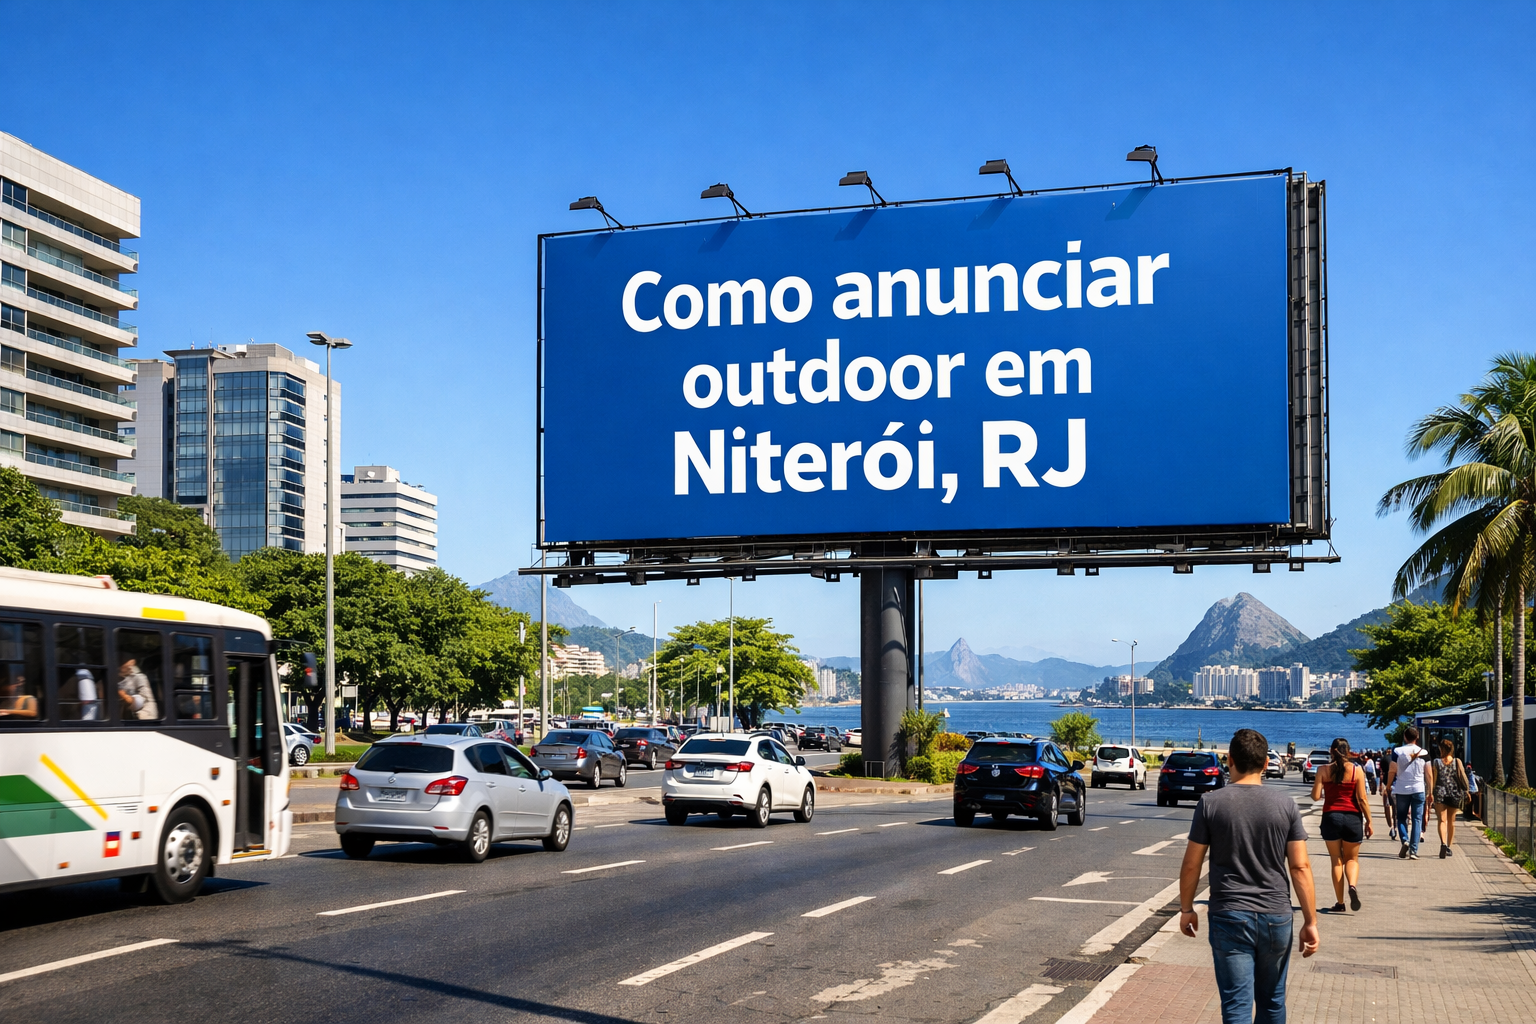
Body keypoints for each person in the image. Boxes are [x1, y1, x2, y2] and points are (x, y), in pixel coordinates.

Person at [1179, 728, 1319, 1024]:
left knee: (1236, 1006)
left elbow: (1192, 863)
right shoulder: (1286, 805)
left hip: (1229, 915)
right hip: (1276, 917)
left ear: (1228, 760)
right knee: (1272, 1002)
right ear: (1266, 764)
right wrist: (1310, 921)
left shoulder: (1210, 803)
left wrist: (1187, 908)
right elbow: (1300, 868)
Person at [1311, 737, 1373, 912]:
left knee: (1336, 860)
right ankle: (1352, 886)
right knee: (1352, 859)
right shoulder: (1356, 770)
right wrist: (1369, 821)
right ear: (1348, 752)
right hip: (1353, 818)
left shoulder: (1323, 770)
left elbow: (1315, 797)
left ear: (1331, 751)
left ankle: (1340, 903)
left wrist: (1321, 785)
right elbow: (1362, 798)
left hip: (1331, 817)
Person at [1387, 726, 1430, 859]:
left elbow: (1392, 770)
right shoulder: (1424, 753)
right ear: (1417, 737)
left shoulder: (1397, 751)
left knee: (1401, 817)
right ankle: (1413, 850)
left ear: (1405, 737)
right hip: (1418, 789)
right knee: (1417, 819)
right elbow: (1429, 774)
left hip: (1402, 789)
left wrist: (1388, 785)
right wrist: (1431, 790)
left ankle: (1405, 840)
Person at [1425, 739, 1470, 858]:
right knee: (1451, 821)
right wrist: (1467, 790)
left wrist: (1430, 793)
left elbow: (1433, 779)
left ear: (1442, 749)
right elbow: (1463, 777)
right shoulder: (1457, 762)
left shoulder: (1436, 762)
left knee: (1442, 820)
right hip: (1454, 793)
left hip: (1440, 793)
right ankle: (1449, 847)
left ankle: (1443, 843)